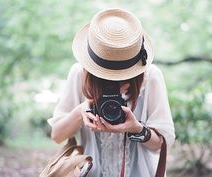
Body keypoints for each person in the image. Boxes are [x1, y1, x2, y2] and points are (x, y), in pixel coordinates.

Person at [48, 8, 175, 177]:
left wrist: (137, 129)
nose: (114, 78)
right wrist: (81, 111)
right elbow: (57, 135)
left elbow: (161, 145)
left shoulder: (150, 76)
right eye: (105, 71)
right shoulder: (80, 74)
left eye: (121, 72)